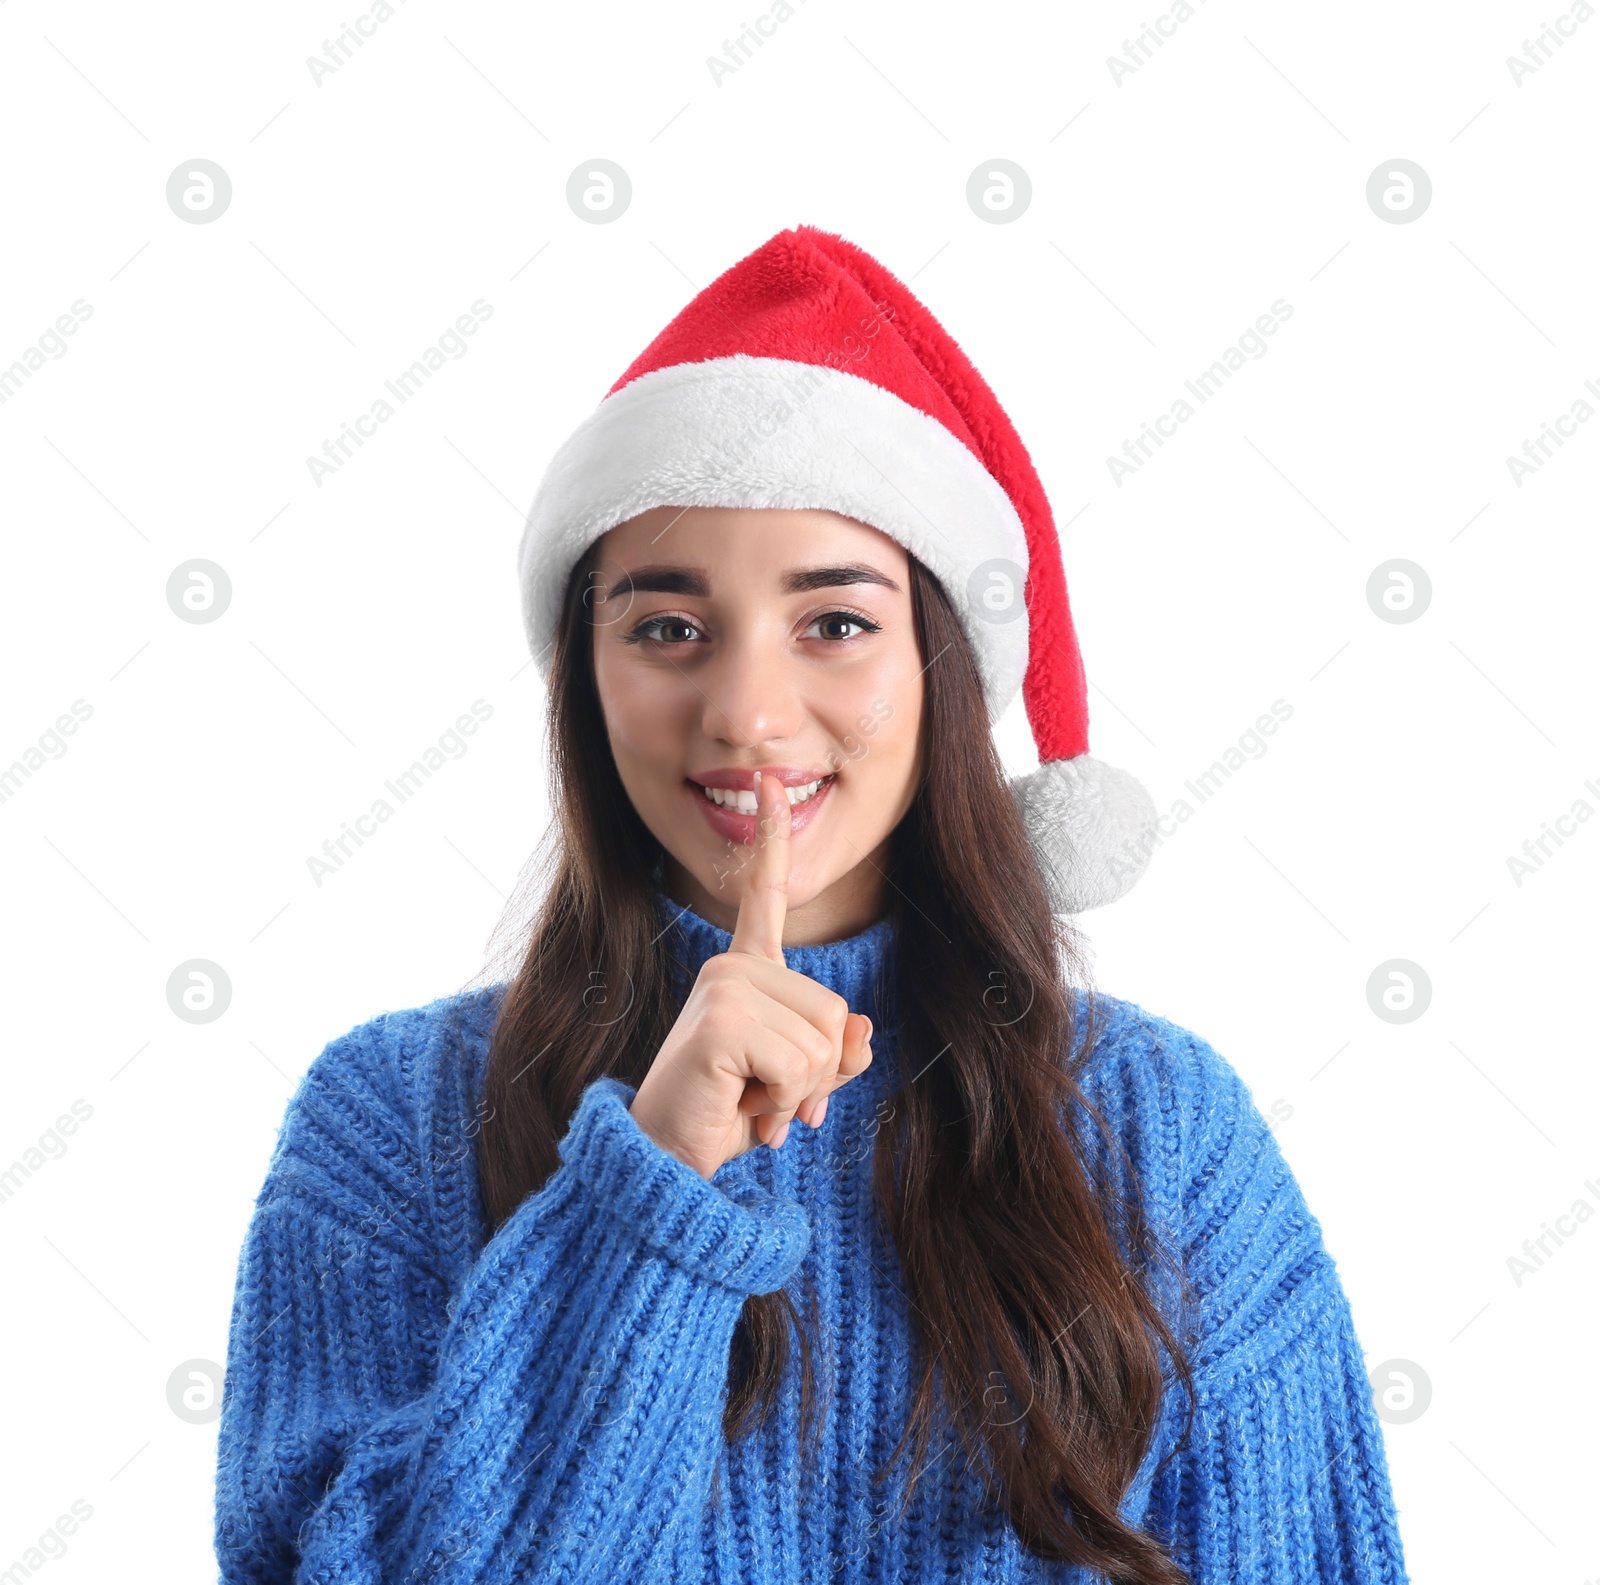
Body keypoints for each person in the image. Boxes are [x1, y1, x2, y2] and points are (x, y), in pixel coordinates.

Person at [214, 226, 1411, 1583]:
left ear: (940, 661)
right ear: (584, 677)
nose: (747, 713)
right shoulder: (393, 1123)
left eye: (833, 622)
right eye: (667, 626)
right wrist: (651, 1184)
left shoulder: (1158, 1128)